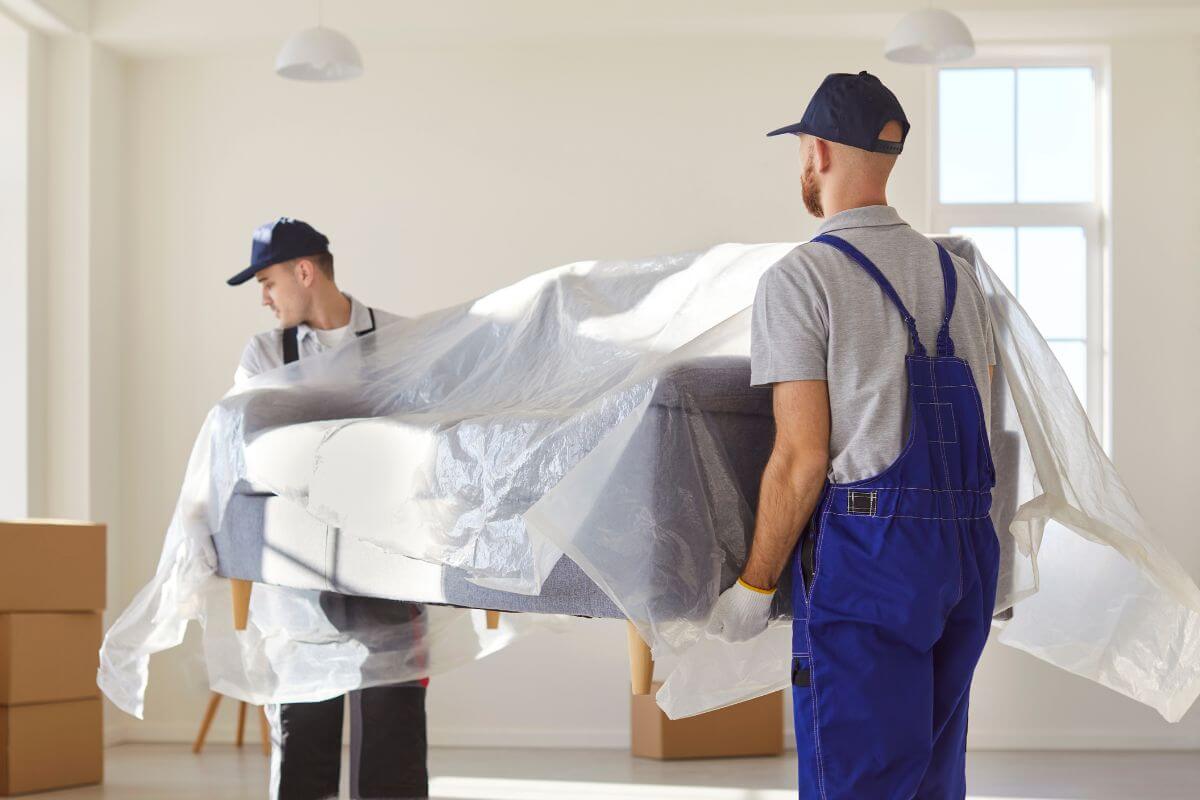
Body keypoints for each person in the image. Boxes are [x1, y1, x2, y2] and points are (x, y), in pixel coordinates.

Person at [705, 72, 999, 799]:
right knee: (932, 782)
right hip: (965, 556)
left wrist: (754, 584)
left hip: (871, 562)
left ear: (818, 151)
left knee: (858, 782)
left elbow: (801, 459)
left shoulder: (801, 278)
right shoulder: (960, 278)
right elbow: (985, 429)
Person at [228, 217, 429, 800]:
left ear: (304, 271)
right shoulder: (265, 353)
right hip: (299, 564)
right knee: (304, 727)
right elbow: (248, 448)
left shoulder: (401, 339)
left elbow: (431, 438)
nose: (264, 299)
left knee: (392, 720)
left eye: (267, 282)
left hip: (389, 560)